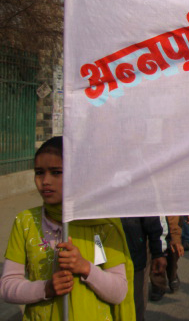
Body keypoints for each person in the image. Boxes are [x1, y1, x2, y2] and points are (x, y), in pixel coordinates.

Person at [0, 136, 136, 320]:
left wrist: (85, 268)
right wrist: (46, 288)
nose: (45, 181)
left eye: (56, 172)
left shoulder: (101, 224)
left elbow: (119, 292)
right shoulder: (25, 222)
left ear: (77, 175)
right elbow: (7, 286)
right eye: (39, 172)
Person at [121, 216, 167, 318]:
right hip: (101, 256)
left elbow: (150, 219)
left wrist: (157, 253)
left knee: (135, 305)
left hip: (133, 255)